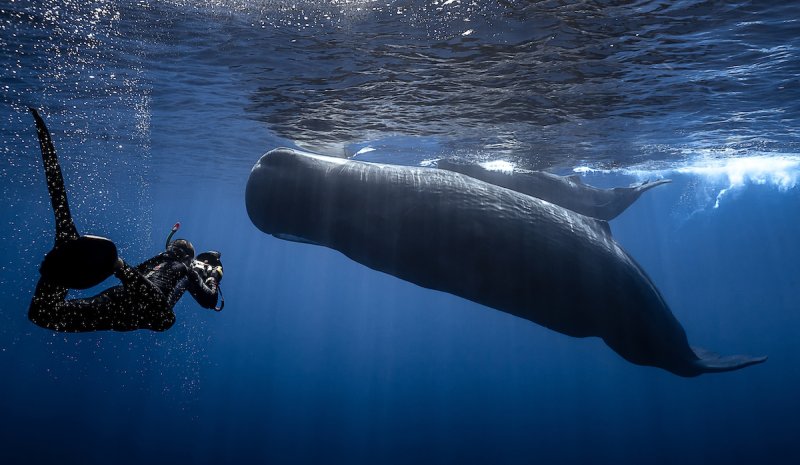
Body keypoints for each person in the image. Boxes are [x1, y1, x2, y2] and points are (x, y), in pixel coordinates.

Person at [27, 107, 223, 332]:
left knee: (43, 314)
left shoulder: (163, 261)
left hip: (119, 304)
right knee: (163, 318)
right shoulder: (186, 269)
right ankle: (93, 257)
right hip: (139, 310)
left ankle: (77, 250)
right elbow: (209, 300)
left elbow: (135, 279)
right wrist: (213, 278)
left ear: (172, 248)